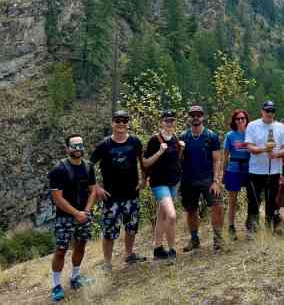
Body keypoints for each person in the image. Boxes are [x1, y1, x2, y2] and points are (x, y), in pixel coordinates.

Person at [90, 110, 147, 270]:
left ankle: (129, 255)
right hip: (111, 197)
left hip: (131, 194)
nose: (121, 123)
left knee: (131, 227)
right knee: (109, 231)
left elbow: (143, 162)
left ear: (128, 123)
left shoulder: (135, 141)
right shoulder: (104, 145)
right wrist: (96, 187)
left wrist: (144, 180)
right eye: (117, 120)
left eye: (124, 120)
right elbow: (88, 167)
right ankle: (107, 263)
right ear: (112, 123)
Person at [48, 134, 97, 303]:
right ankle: (56, 286)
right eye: (74, 146)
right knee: (61, 250)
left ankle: (75, 278)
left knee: (81, 245)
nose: (78, 149)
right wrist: (76, 213)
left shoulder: (89, 167)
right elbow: (58, 198)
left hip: (84, 215)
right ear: (67, 148)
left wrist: (87, 211)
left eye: (80, 145)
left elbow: (93, 190)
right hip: (65, 218)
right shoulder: (58, 170)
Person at [179, 105, 224, 252]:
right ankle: (194, 239)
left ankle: (218, 239)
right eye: (193, 115)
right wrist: (180, 150)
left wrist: (216, 181)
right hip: (188, 179)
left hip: (208, 179)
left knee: (217, 206)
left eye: (198, 115)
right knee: (191, 210)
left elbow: (217, 160)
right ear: (189, 117)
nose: (195, 117)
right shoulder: (183, 137)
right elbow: (178, 160)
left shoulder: (211, 136)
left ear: (202, 117)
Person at [142, 110, 183, 260]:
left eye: (172, 120)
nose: (169, 123)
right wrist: (159, 152)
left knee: (162, 215)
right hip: (159, 183)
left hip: (173, 181)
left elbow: (175, 160)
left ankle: (157, 249)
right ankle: (172, 250)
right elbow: (145, 162)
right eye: (167, 120)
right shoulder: (154, 140)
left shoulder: (176, 139)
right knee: (171, 216)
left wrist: (181, 149)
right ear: (161, 122)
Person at [244, 100, 284, 233]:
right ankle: (252, 228)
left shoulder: (280, 126)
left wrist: (277, 154)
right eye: (267, 110)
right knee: (254, 200)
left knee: (272, 200)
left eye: (272, 111)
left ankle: (271, 226)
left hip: (274, 170)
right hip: (256, 170)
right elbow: (250, 147)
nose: (269, 113)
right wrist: (264, 149)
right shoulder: (252, 125)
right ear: (262, 111)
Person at [223, 109, 250, 240]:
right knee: (232, 200)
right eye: (237, 119)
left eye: (242, 118)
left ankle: (250, 223)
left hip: (249, 168)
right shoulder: (230, 135)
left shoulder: (251, 133)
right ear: (234, 121)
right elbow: (225, 155)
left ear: (246, 120)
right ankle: (231, 226)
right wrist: (223, 172)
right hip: (233, 168)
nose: (240, 121)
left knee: (252, 198)